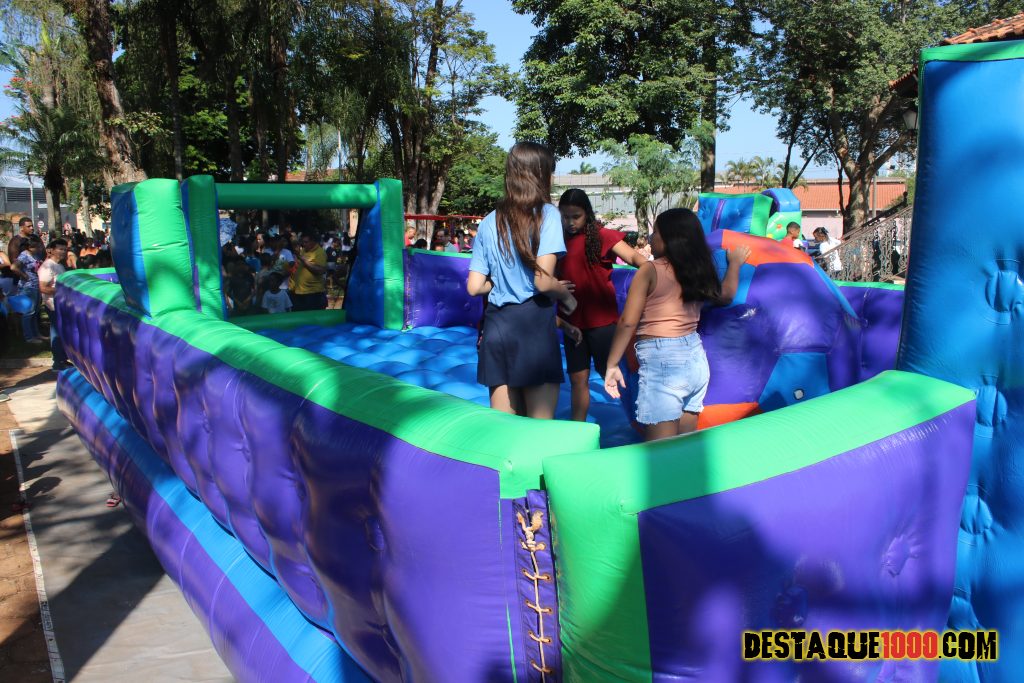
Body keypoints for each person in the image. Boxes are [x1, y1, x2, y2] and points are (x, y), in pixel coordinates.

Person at [604, 208, 750, 442]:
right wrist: (734, 264)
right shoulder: (698, 271)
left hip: (663, 362)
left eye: (656, 232)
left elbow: (628, 321)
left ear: (670, 238)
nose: (651, 237)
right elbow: (726, 296)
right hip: (695, 359)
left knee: (660, 450)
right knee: (684, 446)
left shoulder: (650, 270)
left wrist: (612, 364)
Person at [467, 141, 576, 419]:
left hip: (496, 328)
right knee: (539, 431)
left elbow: (475, 287)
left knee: (505, 429)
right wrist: (566, 296)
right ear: (541, 174)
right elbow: (543, 281)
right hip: (533, 328)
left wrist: (500, 281)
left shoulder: (488, 221)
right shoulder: (547, 214)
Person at [557, 188, 648, 422]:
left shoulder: (602, 236)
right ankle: (577, 428)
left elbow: (638, 260)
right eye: (565, 216)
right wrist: (554, 285)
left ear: (586, 213)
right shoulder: (556, 240)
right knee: (578, 380)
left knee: (617, 374)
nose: (570, 222)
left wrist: (648, 280)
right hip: (572, 324)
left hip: (602, 323)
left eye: (576, 216)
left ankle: (644, 421)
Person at [38, 238, 70, 370]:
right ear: (51, 250)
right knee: (56, 333)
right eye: (60, 249)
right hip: (52, 305)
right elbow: (43, 287)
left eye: (65, 249)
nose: (63, 252)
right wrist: (61, 291)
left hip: (61, 305)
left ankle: (62, 359)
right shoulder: (48, 266)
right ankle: (57, 362)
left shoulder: (59, 266)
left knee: (61, 332)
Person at [10, 234, 46, 343]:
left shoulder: (36, 255)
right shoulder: (24, 255)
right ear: (29, 247)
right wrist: (24, 275)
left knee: (35, 312)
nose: (39, 248)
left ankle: (36, 334)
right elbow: (13, 267)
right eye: (36, 246)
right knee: (29, 312)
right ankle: (29, 336)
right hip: (28, 287)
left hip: (36, 286)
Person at [291, 232, 328, 310]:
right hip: (299, 292)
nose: (304, 244)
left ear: (313, 241)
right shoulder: (303, 250)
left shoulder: (320, 252)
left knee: (312, 316)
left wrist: (303, 260)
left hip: (313, 294)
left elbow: (320, 270)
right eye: (303, 242)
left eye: (306, 242)